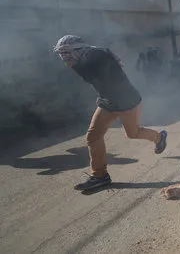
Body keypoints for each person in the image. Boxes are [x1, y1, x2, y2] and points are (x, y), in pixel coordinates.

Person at [53, 35, 168, 191]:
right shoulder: (83, 59)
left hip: (127, 102)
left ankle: (159, 137)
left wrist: (85, 63)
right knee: (93, 137)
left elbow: (100, 70)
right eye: (61, 53)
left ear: (78, 49)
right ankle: (100, 176)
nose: (64, 57)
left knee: (133, 133)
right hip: (107, 102)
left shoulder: (95, 56)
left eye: (67, 52)